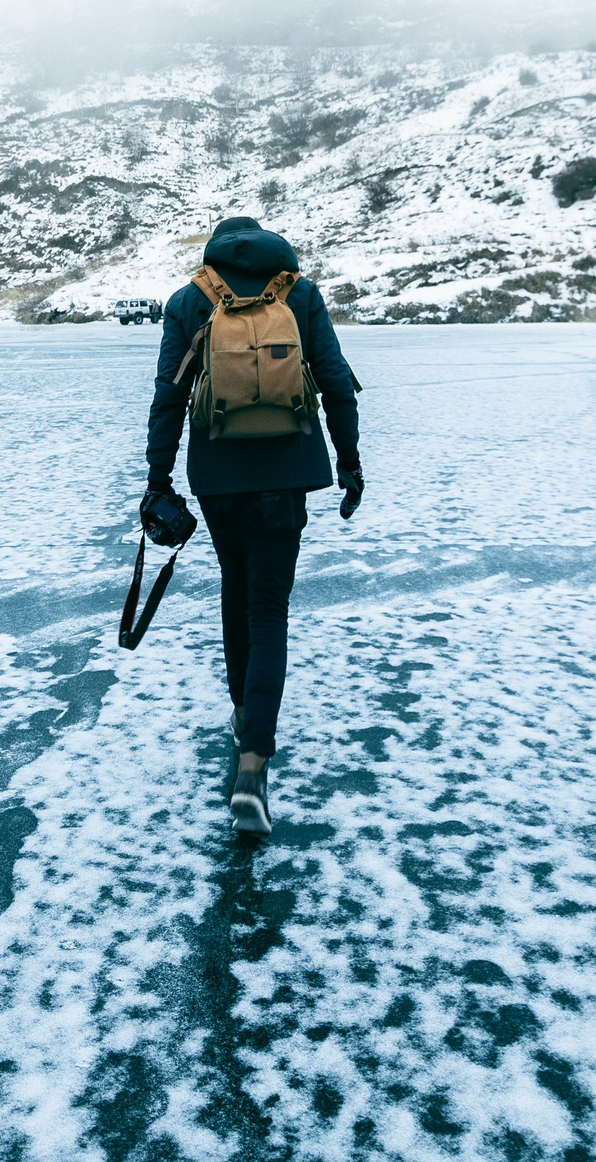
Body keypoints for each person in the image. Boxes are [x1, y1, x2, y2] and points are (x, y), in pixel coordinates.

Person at [146, 216, 363, 834]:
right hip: (287, 474)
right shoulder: (300, 293)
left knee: (235, 591)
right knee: (269, 609)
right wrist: (349, 463)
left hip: (218, 476)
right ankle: (252, 765)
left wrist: (158, 479)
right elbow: (336, 381)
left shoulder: (190, 300)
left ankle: (244, 714)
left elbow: (168, 396)